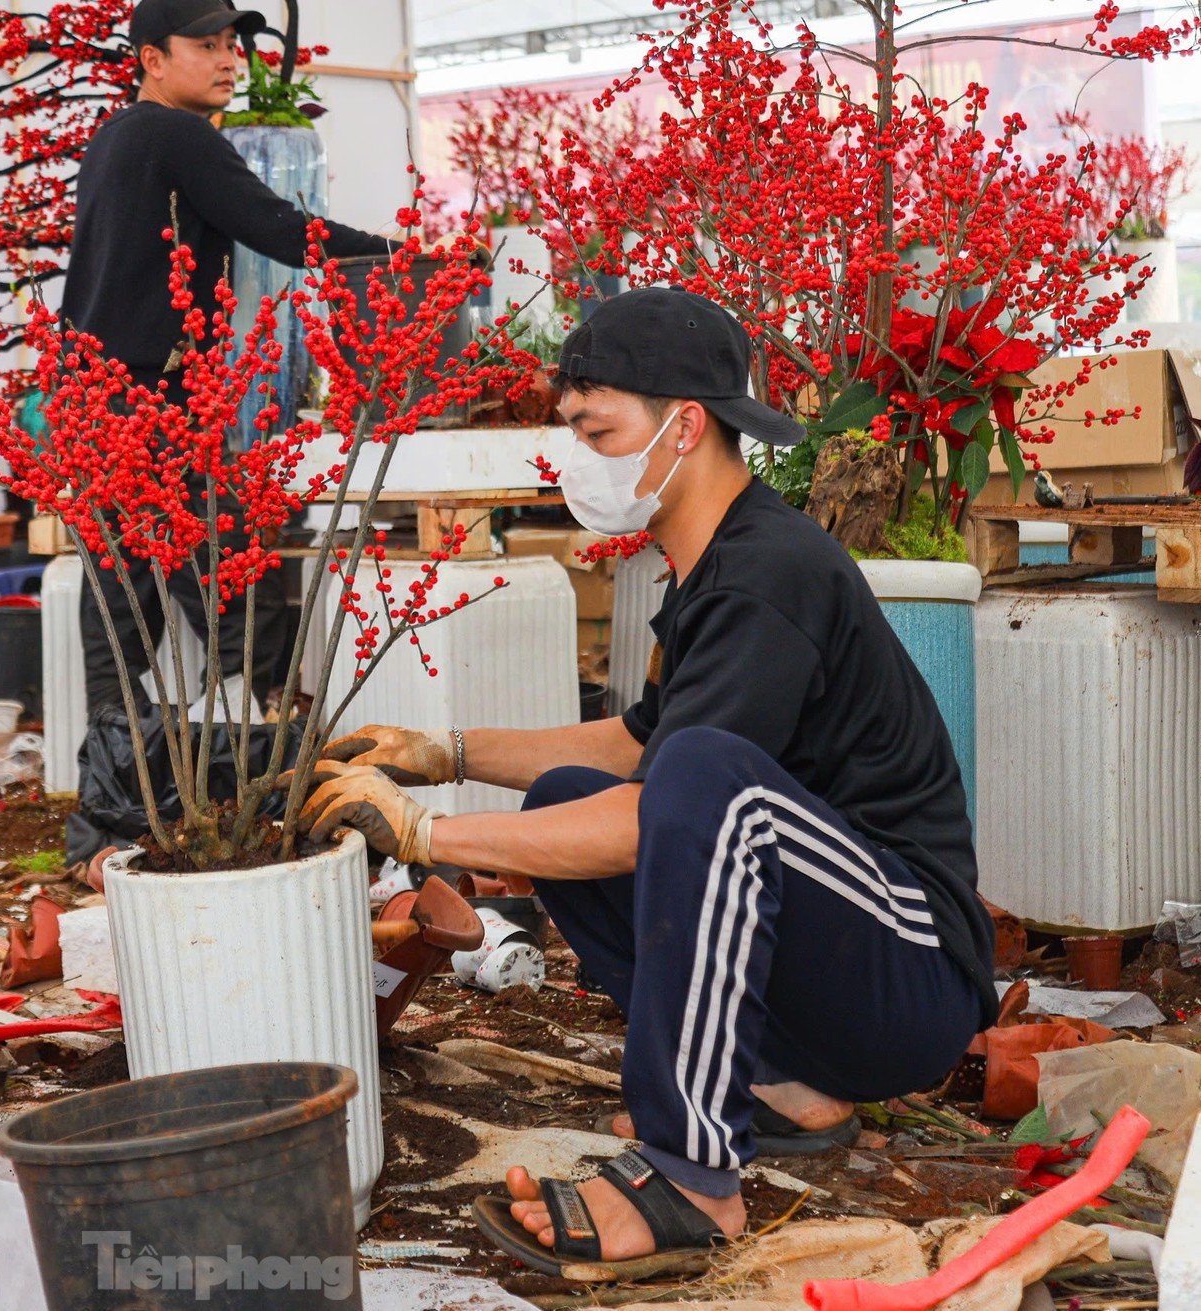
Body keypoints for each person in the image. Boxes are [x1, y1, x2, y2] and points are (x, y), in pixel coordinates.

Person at [290, 288, 996, 1272]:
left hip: (910, 972)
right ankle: (786, 1088)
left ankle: (694, 1179)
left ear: (685, 425)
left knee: (701, 787)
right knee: (569, 797)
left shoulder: (765, 576)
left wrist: (424, 833)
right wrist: (443, 752)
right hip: (842, 968)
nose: (576, 454)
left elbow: (664, 804)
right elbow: (639, 745)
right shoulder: (713, 569)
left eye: (595, 428)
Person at [60, 0, 398, 718]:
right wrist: (391, 254)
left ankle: (116, 772)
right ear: (152, 58)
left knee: (124, 592)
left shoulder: (114, 137)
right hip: (149, 396)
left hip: (94, 391)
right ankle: (247, 749)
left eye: (231, 46)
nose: (228, 60)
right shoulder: (179, 134)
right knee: (233, 582)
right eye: (206, 45)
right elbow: (272, 226)